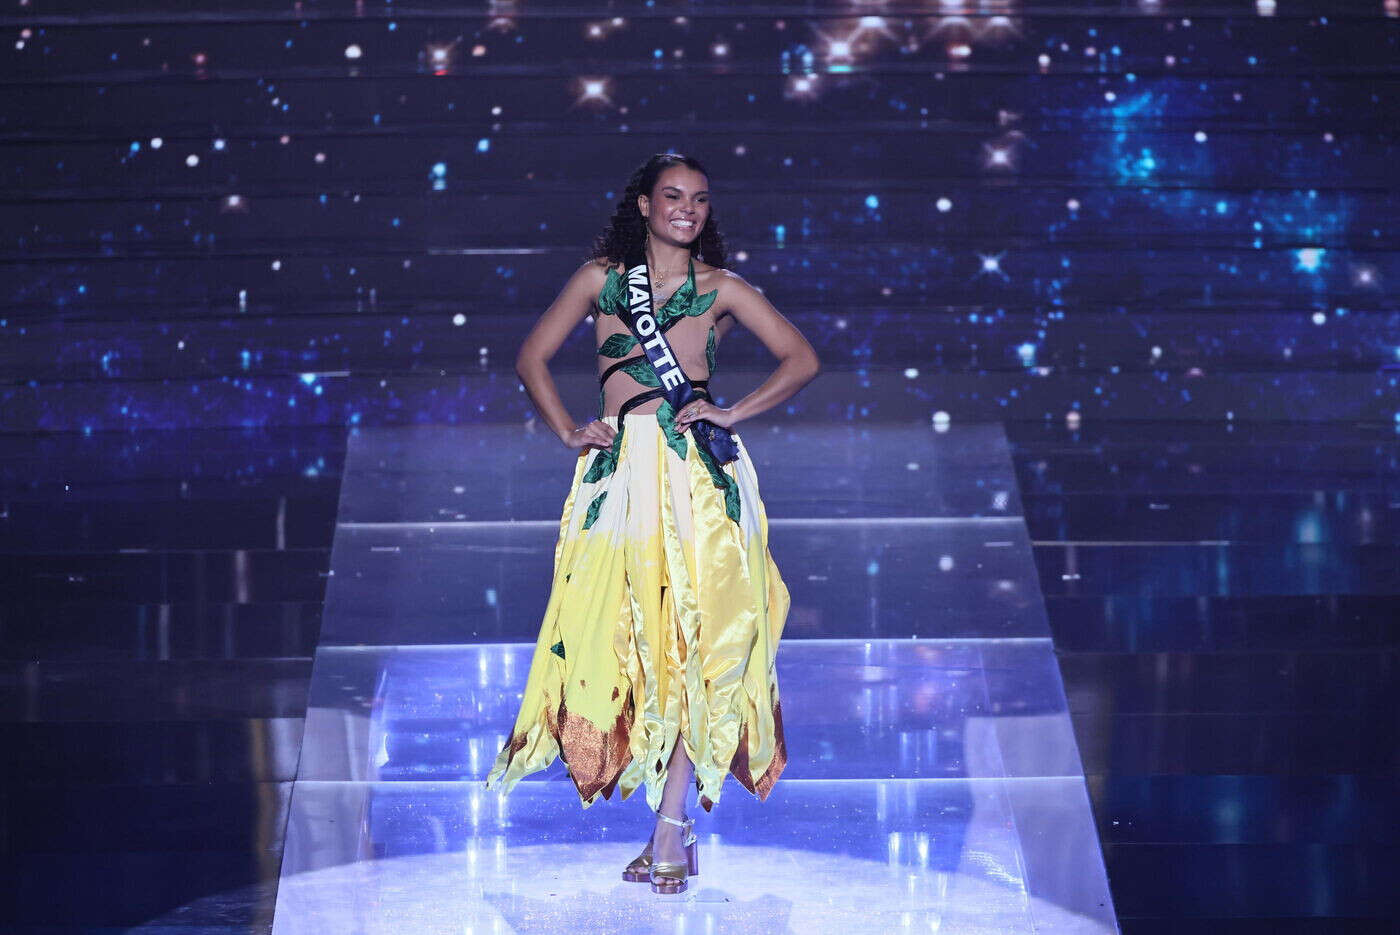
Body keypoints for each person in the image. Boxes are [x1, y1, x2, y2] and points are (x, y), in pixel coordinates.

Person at [485, 152, 820, 894]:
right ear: (642, 204)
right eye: (672, 196)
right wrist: (570, 427)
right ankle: (662, 817)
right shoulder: (600, 279)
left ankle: (671, 825)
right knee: (618, 638)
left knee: (690, 642)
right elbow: (531, 356)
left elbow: (801, 357)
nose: (686, 209)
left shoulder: (721, 288)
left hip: (696, 478)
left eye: (699, 199)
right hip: (619, 478)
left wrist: (731, 411)